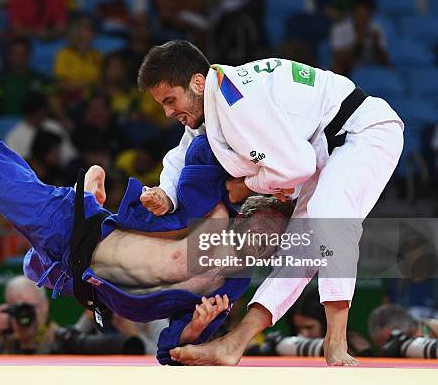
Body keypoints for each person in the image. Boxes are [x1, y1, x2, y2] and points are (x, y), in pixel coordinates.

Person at [0, 15, 294, 364]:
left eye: (271, 243)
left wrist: (199, 327)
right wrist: (247, 171)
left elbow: (171, 352)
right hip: (69, 225)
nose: (264, 241)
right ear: (251, 210)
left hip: (79, 271)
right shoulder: (213, 202)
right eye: (267, 227)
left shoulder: (229, 286)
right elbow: (204, 141)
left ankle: (89, 187)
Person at [136, 40, 404, 366]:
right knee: (298, 248)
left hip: (364, 131)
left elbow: (300, 166)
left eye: (169, 100)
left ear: (196, 82)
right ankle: (235, 343)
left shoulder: (236, 100)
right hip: (322, 151)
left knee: (328, 214)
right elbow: (180, 157)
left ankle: (336, 341)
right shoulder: (215, 102)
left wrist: (246, 187)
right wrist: (165, 193)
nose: (167, 112)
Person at [0, 275, 58, 354]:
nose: (24, 313)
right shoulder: (6, 339)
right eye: (19, 309)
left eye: (29, 307)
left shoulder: (58, 339)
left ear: (45, 305)